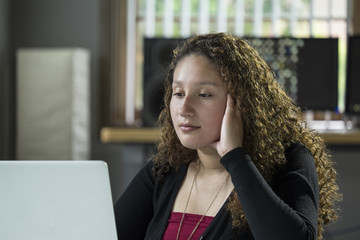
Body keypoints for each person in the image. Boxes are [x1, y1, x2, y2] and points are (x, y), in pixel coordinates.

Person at [114, 32, 341, 240]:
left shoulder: (289, 161)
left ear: (242, 103)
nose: (184, 109)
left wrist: (235, 157)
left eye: (203, 94)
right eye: (179, 93)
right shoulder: (164, 171)